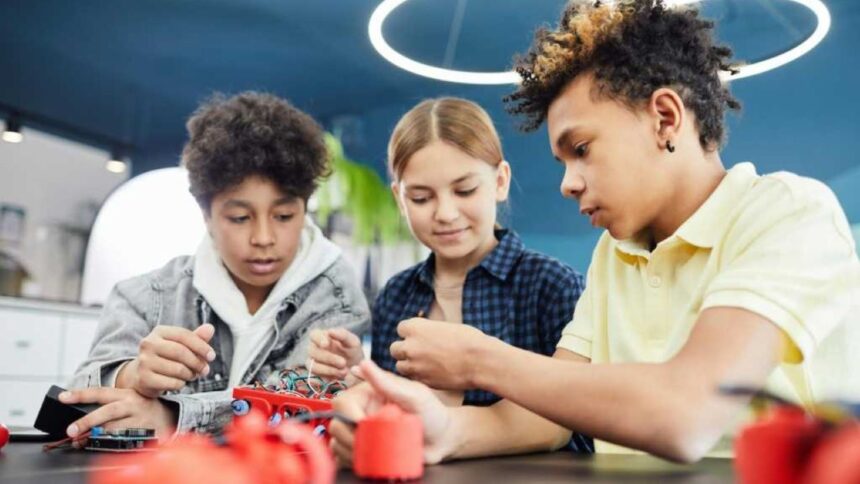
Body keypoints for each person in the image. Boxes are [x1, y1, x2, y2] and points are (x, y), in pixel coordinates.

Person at [329, 0, 860, 464]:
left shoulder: (789, 212)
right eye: (563, 161)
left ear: (665, 118)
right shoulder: (614, 253)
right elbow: (547, 417)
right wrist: (441, 430)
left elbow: (688, 412)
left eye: (581, 149)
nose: (567, 183)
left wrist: (478, 360)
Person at [63, 92, 370, 439]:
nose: (263, 237)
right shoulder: (145, 297)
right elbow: (77, 399)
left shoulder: (335, 298)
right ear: (206, 215)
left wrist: (173, 416)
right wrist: (130, 375)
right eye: (239, 217)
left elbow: (290, 413)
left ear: (304, 208)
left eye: (284, 216)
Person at [309, 97, 592, 454]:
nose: (445, 213)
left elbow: (578, 421)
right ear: (399, 199)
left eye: (465, 190)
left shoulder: (552, 285)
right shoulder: (397, 295)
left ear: (500, 181)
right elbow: (391, 417)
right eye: (421, 198)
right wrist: (359, 375)